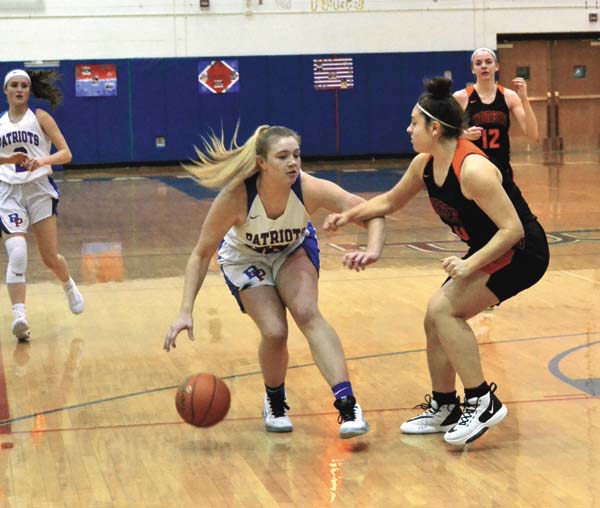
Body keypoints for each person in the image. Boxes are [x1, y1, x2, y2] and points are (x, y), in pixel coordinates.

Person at [324, 77, 549, 446]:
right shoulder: (424, 164)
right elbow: (390, 201)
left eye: (414, 122)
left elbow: (512, 229)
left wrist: (470, 264)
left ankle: (482, 401)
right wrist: (348, 216)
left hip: (523, 251)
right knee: (434, 319)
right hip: (492, 247)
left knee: (445, 310)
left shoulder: (472, 170)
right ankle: (445, 407)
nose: (408, 129)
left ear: (435, 128)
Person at [163, 125, 385, 439]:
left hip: (291, 250)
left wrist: (373, 250)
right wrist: (185, 310)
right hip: (246, 258)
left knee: (307, 312)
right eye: (282, 156)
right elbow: (200, 254)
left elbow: (374, 211)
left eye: (296, 155)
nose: (292, 162)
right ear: (262, 163)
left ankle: (348, 405)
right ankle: (275, 400)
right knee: (275, 331)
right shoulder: (236, 197)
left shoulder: (309, 188)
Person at [0, 69, 84, 341]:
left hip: (38, 190)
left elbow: (66, 154)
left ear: (29, 90)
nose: (19, 89)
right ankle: (19, 316)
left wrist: (43, 161)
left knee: (49, 257)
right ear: (6, 90)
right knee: (17, 252)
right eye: (14, 85)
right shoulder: (0, 123)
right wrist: (8, 160)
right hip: (8, 192)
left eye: (24, 85)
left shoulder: (40, 117)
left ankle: (68, 285)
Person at [453, 47, 539, 181]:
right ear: (472, 69)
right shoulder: (461, 97)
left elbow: (533, 134)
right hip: (473, 169)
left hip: (502, 167)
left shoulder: (509, 96)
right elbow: (443, 133)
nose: (484, 66)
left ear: (496, 66)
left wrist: (524, 99)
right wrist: (462, 134)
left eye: (488, 62)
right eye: (478, 63)